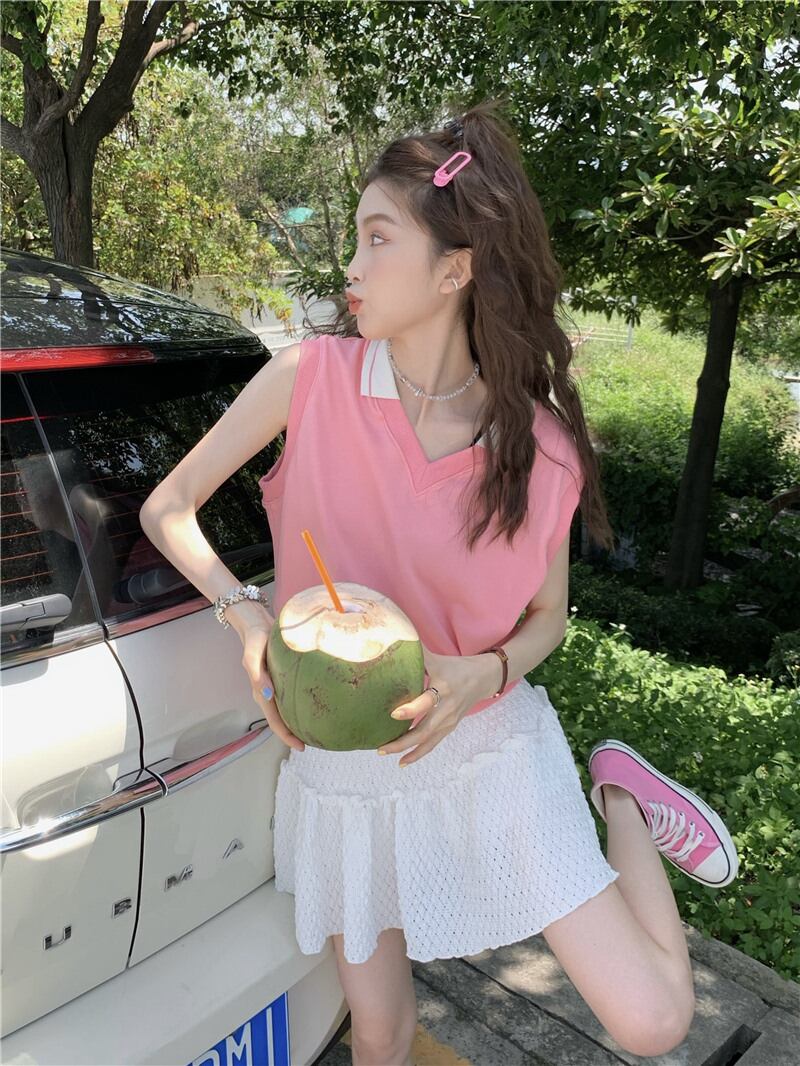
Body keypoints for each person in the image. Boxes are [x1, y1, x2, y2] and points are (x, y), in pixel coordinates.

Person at [140, 98, 739, 1066]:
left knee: (653, 1022)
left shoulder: (538, 444)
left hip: (483, 743)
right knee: (377, 1035)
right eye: (355, 237)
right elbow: (168, 507)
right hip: (341, 763)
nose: (351, 266)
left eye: (378, 239)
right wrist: (245, 616)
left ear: (454, 269)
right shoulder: (309, 378)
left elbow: (548, 619)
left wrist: (482, 674)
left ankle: (622, 797)